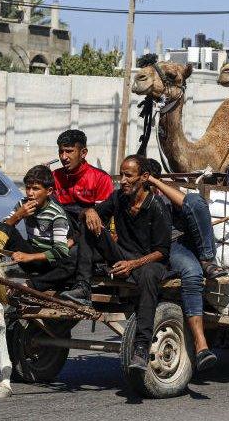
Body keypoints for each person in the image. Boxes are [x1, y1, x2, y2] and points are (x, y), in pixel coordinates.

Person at [71, 154, 170, 370]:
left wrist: (133, 264)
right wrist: (89, 212)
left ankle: (142, 347)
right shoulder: (118, 198)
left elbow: (162, 251)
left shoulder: (157, 206)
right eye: (121, 175)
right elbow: (92, 215)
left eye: (128, 176)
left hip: (148, 262)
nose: (122, 180)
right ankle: (82, 288)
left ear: (144, 177)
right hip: (121, 257)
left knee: (149, 275)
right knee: (90, 225)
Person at [142, 159, 227, 371]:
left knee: (196, 201)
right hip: (167, 247)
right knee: (192, 273)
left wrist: (156, 182)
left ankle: (207, 258)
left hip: (187, 241)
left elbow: (189, 204)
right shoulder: (130, 196)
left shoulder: (167, 192)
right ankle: (201, 345)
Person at [52, 129, 115, 303]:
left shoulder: (101, 179)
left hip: (91, 241)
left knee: (70, 254)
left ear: (83, 153)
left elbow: (101, 224)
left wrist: (73, 239)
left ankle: (83, 287)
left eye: (69, 151)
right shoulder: (54, 177)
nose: (64, 156)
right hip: (63, 238)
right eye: (61, 152)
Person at [0, 165, 75, 291]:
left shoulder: (56, 214)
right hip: (28, 257)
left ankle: (30, 285)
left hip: (48, 262)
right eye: (28, 188)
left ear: (49, 191)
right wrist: (18, 215)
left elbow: (61, 250)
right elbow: (4, 227)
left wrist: (29, 257)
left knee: (70, 265)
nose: (30, 193)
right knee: (4, 226)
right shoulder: (22, 204)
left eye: (35, 189)